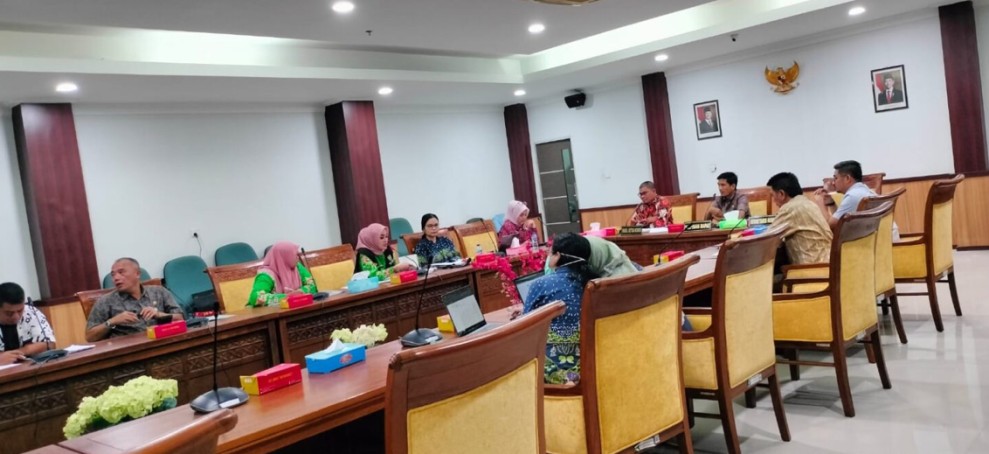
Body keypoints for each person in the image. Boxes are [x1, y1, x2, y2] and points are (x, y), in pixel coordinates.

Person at [523, 233, 598, 385]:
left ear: (558, 256)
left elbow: (525, 326)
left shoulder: (541, 284)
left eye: (550, 252)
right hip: (592, 365)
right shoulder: (596, 282)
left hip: (555, 371)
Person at [86, 258, 184, 341]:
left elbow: (180, 318)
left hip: (162, 343)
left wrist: (159, 314)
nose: (116, 278)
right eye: (113, 274)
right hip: (129, 351)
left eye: (121, 272)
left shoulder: (159, 292)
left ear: (137, 274)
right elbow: (90, 337)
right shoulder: (105, 301)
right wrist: (112, 322)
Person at [767, 172, 833, 265]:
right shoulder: (808, 203)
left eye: (773, 195)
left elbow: (767, 239)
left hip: (812, 267)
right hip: (829, 262)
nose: (773, 200)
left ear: (781, 194)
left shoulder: (789, 208)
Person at [247, 241, 317, 307]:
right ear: (285, 256)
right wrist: (287, 297)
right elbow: (256, 297)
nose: (297, 257)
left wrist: (300, 292)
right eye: (295, 255)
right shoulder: (266, 275)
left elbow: (312, 286)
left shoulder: (297, 267)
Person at [0, 282, 56, 365]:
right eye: (9, 313)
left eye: (20, 311)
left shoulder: (30, 312)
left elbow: (49, 344)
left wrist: (20, 352)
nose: (16, 317)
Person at [814, 160, 872, 228]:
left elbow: (829, 225)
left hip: (851, 234)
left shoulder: (852, 196)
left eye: (836, 178)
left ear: (847, 178)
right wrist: (831, 203)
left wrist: (820, 202)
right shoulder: (866, 191)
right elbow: (839, 220)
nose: (833, 183)